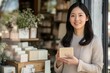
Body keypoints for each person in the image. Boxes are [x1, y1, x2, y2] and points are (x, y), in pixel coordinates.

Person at [54, 2, 103, 73]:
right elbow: (58, 71)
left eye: (80, 15)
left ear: (87, 18)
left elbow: (98, 69)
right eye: (73, 15)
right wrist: (58, 62)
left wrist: (78, 63)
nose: (76, 19)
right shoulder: (64, 40)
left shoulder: (95, 41)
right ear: (69, 19)